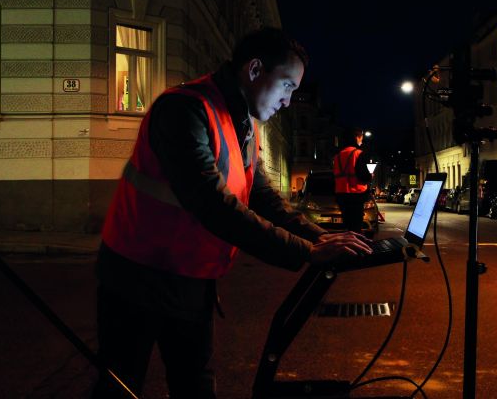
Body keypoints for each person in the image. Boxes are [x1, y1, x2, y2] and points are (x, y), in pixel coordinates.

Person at [92, 28, 372, 398]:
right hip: (136, 278)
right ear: (255, 69)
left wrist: (320, 236)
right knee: (121, 385)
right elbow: (212, 204)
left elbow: (266, 199)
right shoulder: (183, 108)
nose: (289, 101)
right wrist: (306, 251)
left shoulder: (243, 125)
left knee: (196, 384)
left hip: (191, 278)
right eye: (287, 86)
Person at [332, 127, 373, 233]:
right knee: (356, 227)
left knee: (348, 226)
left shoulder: (337, 156)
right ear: (357, 138)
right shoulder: (358, 153)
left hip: (341, 195)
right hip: (355, 196)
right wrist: (370, 176)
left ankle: (349, 246)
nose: (361, 141)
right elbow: (363, 176)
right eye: (361, 138)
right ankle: (356, 248)